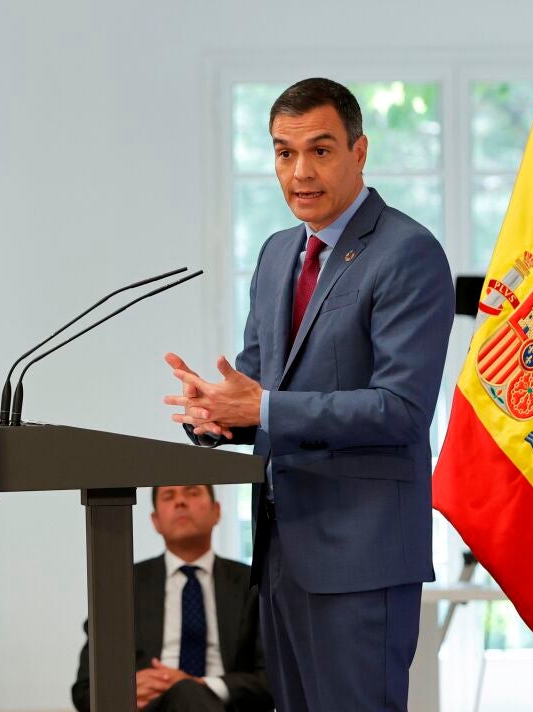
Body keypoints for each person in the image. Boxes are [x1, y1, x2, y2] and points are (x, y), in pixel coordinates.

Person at [164, 77, 453, 711]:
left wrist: (262, 408)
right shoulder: (276, 255)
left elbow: (401, 410)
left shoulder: (407, 252)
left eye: (320, 150)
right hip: (281, 553)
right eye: (284, 152)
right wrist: (216, 412)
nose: (300, 172)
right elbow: (256, 383)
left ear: (359, 151)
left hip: (362, 558)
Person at [71, 484, 273, 712]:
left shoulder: (252, 584)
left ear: (216, 511)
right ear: (156, 520)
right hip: (148, 707)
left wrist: (201, 685)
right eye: (169, 496)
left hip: (225, 706)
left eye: (192, 493)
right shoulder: (123, 585)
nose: (180, 502)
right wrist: (124, 690)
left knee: (187, 692)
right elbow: (84, 690)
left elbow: (273, 680)